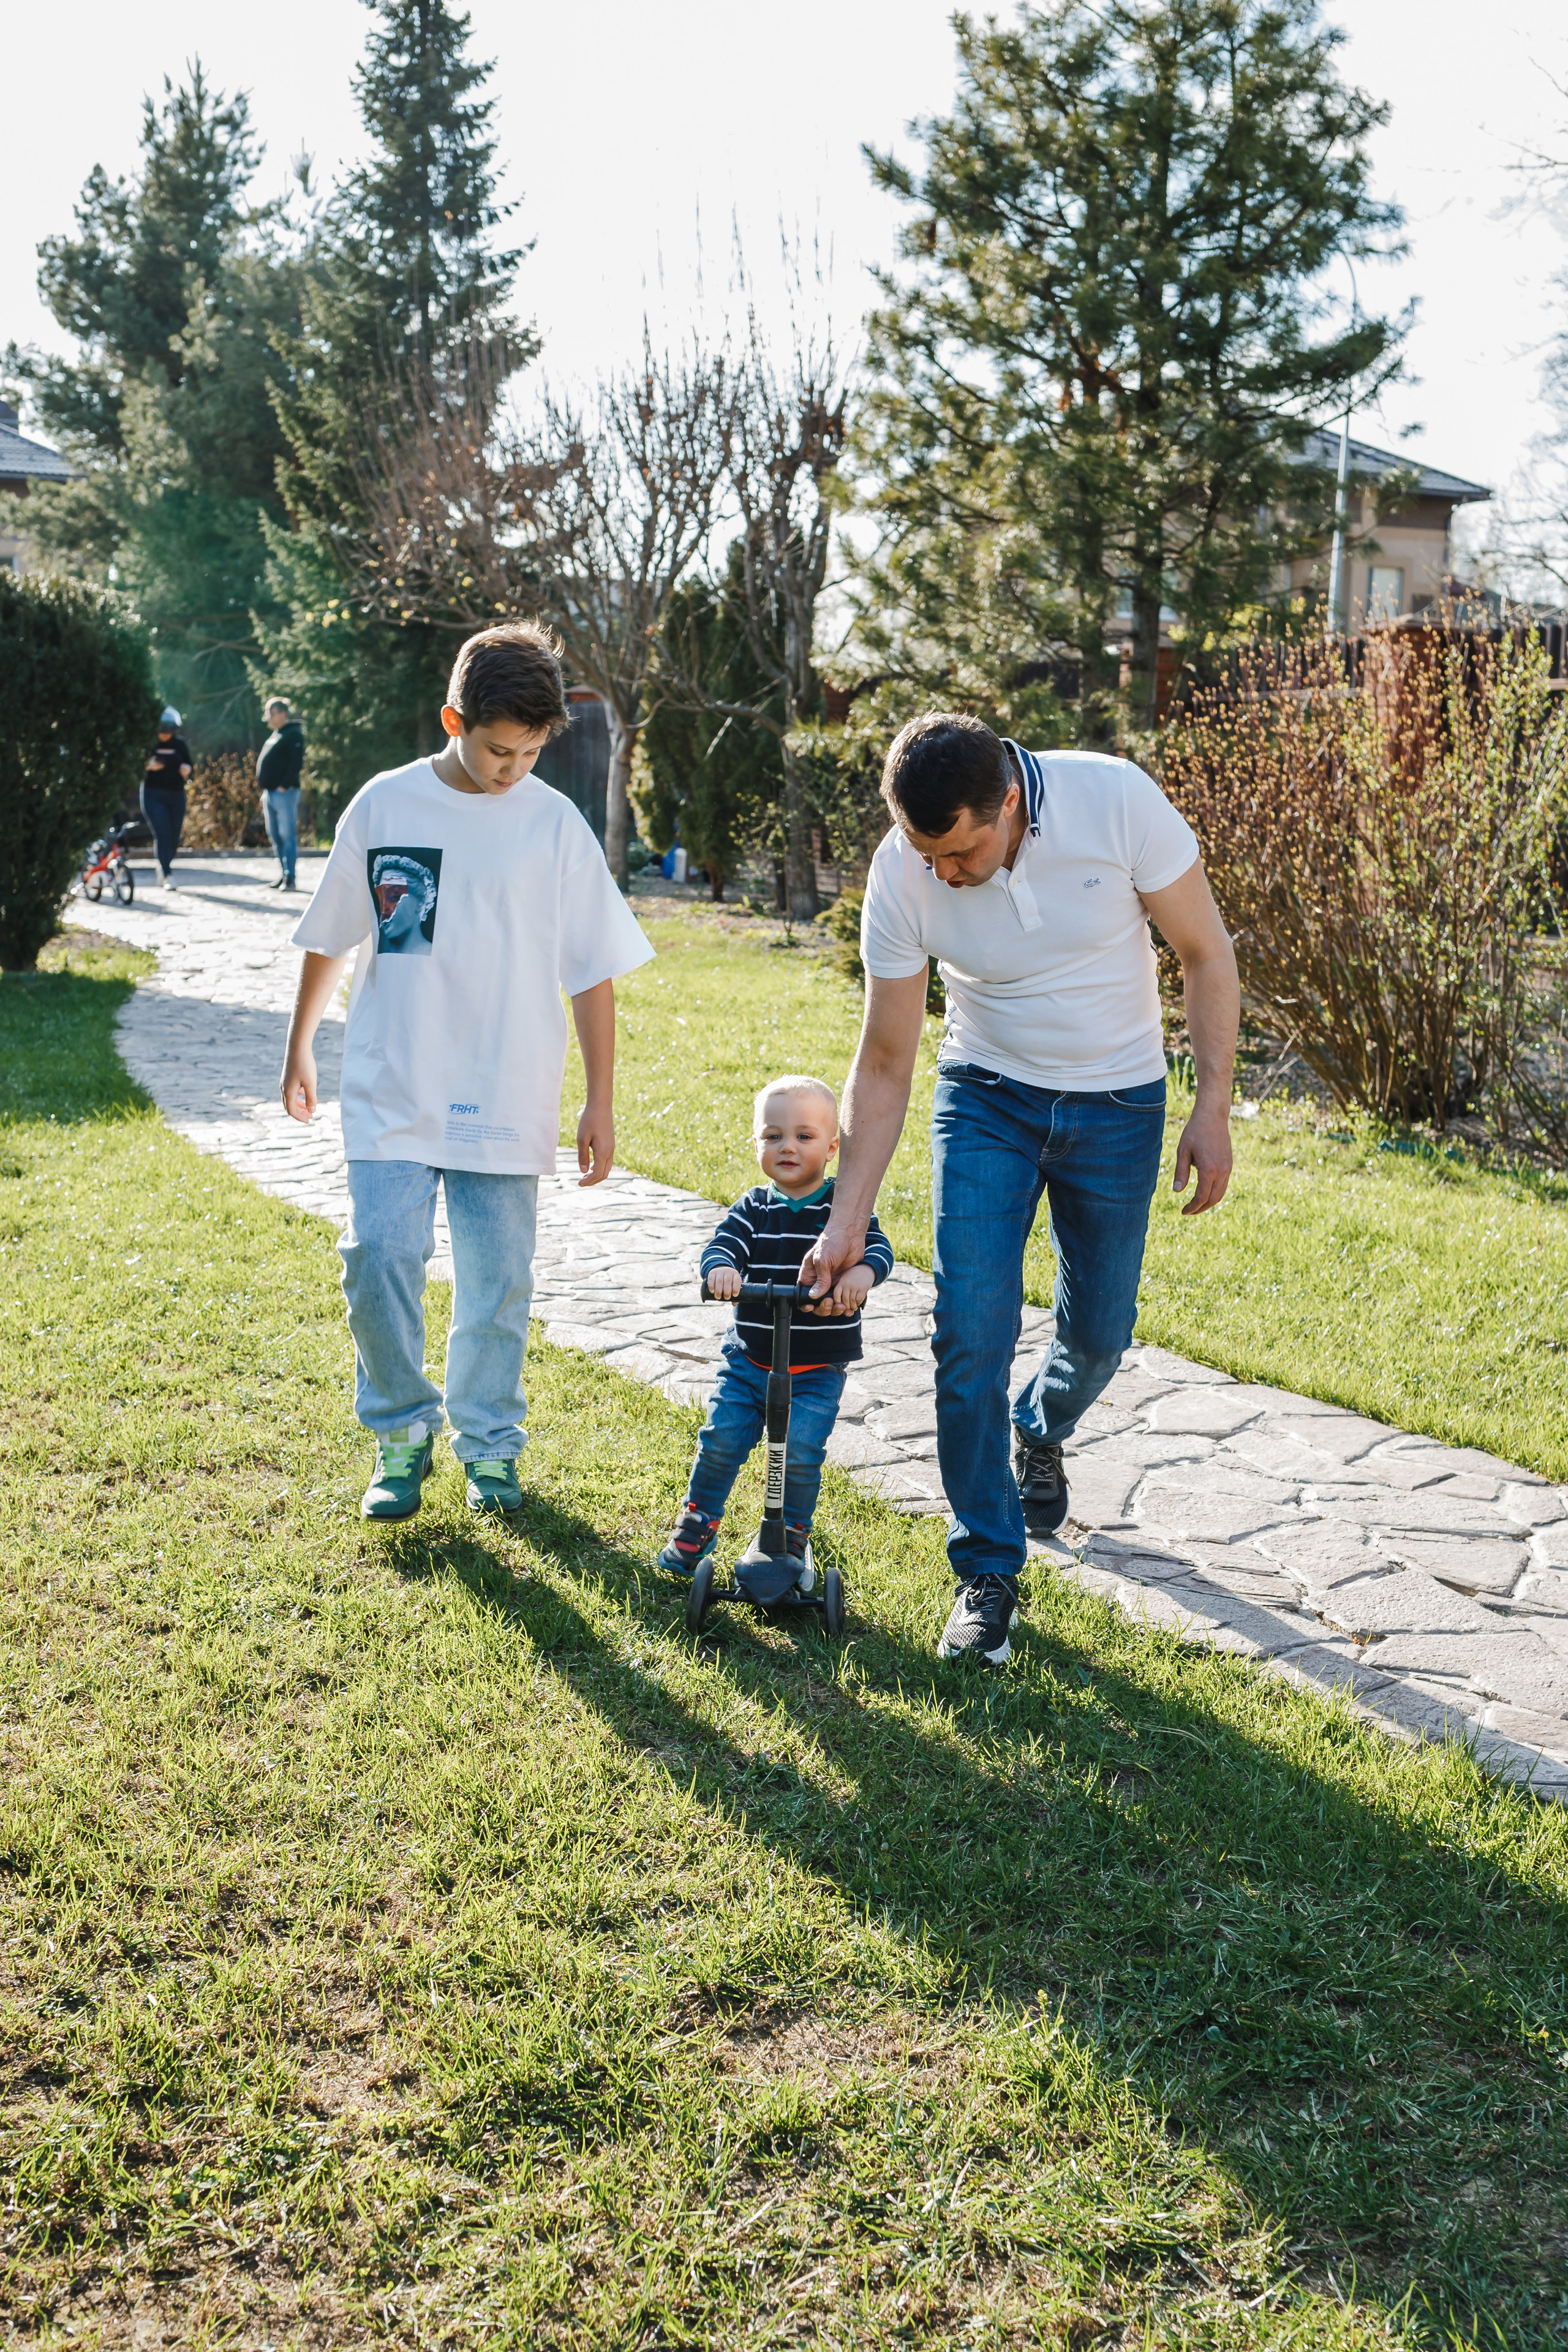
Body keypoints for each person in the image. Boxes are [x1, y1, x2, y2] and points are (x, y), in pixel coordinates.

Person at [805, 714, 1239, 1669]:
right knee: (969, 1329)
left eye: (959, 852)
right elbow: (884, 1061)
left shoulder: (1115, 800)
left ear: (1009, 802)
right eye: (928, 854)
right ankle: (987, 1570)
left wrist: (1212, 1108)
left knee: (1101, 1330)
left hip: (1119, 1103)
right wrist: (846, 1217)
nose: (944, 875)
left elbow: (1206, 953)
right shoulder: (902, 869)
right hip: (987, 1098)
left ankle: (1039, 1428)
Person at [279, 620, 653, 1521]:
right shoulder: (385, 804)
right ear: (455, 718)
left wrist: (600, 1098)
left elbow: (592, 969)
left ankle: (489, 1445)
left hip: (507, 1088)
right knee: (377, 1257)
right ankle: (402, 1429)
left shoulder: (554, 825)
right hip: (392, 1081)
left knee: (497, 1284)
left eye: (531, 752)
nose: (512, 768)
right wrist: (298, 1043)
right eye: (497, 750)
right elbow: (335, 933)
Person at [658, 1076, 894, 1578]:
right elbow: (723, 1245)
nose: (787, 1146)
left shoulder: (843, 1209)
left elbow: (878, 1247)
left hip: (816, 1367)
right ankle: (698, 1519)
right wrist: (721, 1270)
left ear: (833, 1148)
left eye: (804, 1137)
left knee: (802, 1453)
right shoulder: (754, 1208)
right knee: (722, 1438)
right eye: (773, 1136)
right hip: (749, 1360)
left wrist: (860, 1273)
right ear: (757, 1143)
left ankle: (791, 1533)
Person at [256, 696, 306, 891]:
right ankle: (283, 873)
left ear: (283, 714)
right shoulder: (276, 734)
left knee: (287, 835)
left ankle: (291, 878)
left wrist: (284, 786)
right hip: (270, 794)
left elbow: (296, 764)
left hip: (285, 793)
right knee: (275, 835)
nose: (268, 717)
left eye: (271, 713)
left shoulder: (293, 735)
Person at [142, 706, 192, 889]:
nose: (164, 735)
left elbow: (189, 764)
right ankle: (168, 875)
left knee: (174, 837)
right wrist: (148, 766)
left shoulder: (180, 744)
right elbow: (136, 763)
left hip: (176, 794)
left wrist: (186, 769)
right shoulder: (149, 744)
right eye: (161, 731)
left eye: (168, 731)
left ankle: (163, 866)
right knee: (162, 834)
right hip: (153, 794)